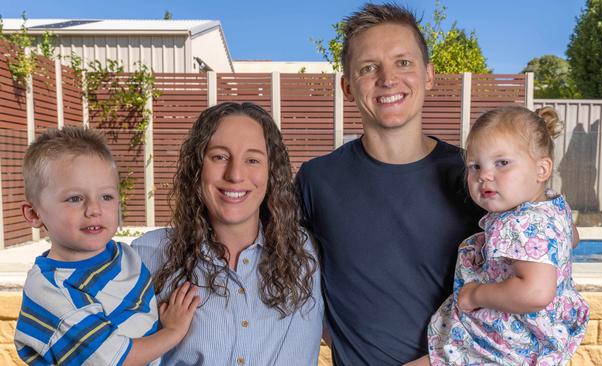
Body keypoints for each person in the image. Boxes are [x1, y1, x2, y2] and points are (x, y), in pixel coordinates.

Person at [295, 3, 485, 365]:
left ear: (429, 74)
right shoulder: (316, 181)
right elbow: (282, 271)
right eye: (369, 68)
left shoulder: (475, 176)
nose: (387, 79)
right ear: (347, 86)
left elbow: (528, 283)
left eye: (403, 62)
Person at [132, 102, 323, 365]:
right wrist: (166, 336)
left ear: (272, 172)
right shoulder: (148, 255)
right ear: (198, 166)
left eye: (252, 160)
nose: (235, 174)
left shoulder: (308, 253)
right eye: (220, 156)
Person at [407, 107, 589, 365]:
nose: (484, 175)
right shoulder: (552, 206)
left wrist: (475, 295)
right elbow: (572, 238)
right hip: (531, 343)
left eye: (502, 163)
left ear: (542, 169)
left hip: (503, 347)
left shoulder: (520, 223)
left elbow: (536, 292)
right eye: (475, 166)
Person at [14, 127, 199, 366]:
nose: (94, 209)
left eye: (106, 197)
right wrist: (173, 331)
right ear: (34, 213)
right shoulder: (52, 289)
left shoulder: (124, 255)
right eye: (75, 198)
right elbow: (115, 360)